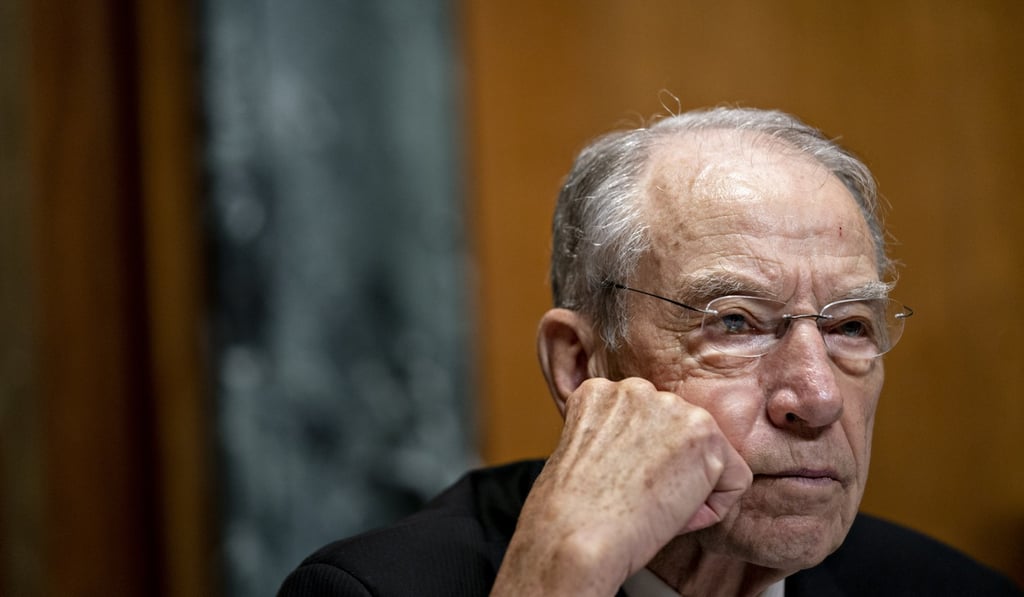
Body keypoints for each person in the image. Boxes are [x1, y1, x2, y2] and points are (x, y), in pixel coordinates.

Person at [278, 107, 1022, 596]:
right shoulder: (370, 591)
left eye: (850, 326)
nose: (817, 395)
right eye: (735, 322)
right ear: (580, 363)